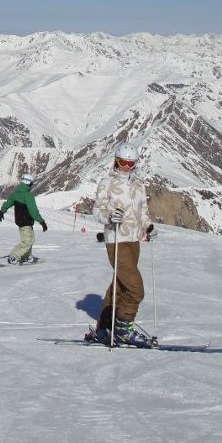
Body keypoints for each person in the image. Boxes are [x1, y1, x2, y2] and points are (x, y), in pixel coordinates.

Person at [85, 144, 155, 347]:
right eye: (122, 162)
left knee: (120, 285)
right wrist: (109, 217)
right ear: (116, 161)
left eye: (130, 163)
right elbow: (97, 210)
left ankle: (103, 328)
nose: (125, 166)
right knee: (135, 288)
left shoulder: (139, 185)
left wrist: (148, 227)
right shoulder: (107, 183)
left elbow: (142, 213)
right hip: (116, 239)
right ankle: (123, 329)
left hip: (134, 240)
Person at [0, 174, 47, 264]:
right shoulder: (28, 195)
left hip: (20, 221)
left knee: (29, 239)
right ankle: (13, 256)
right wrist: (42, 222)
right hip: (26, 221)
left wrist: (1, 212)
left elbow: (8, 203)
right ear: (28, 183)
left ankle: (27, 256)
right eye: (31, 184)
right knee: (27, 242)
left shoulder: (15, 193)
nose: (32, 185)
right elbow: (33, 211)